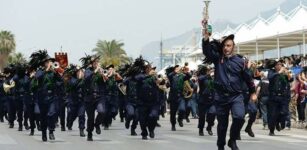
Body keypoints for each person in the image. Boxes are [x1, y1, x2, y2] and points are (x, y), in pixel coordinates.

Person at [202, 31, 257, 150]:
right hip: (221, 97)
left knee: (239, 117)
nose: (226, 48)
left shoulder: (240, 61)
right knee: (222, 125)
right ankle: (220, 145)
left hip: (236, 96)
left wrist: (253, 92)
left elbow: (248, 77)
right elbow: (206, 51)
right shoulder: (217, 59)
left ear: (233, 47)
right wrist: (206, 37)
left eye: (229, 45)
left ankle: (232, 140)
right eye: (225, 45)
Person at [267, 59, 293, 136]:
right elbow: (270, 78)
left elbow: (291, 80)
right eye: (277, 65)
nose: (279, 66)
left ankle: (279, 122)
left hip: (283, 97)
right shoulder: (271, 72)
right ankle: (271, 130)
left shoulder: (284, 73)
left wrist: (288, 75)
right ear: (274, 66)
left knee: (284, 112)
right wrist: (279, 73)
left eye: (280, 64)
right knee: (273, 114)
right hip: (273, 96)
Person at [197, 65, 216, 136]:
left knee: (212, 113)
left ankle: (209, 127)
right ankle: (201, 129)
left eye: (210, 70)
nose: (210, 71)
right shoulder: (201, 77)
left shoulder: (212, 78)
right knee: (202, 116)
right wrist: (207, 74)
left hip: (212, 100)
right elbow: (200, 79)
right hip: (203, 100)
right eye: (208, 70)